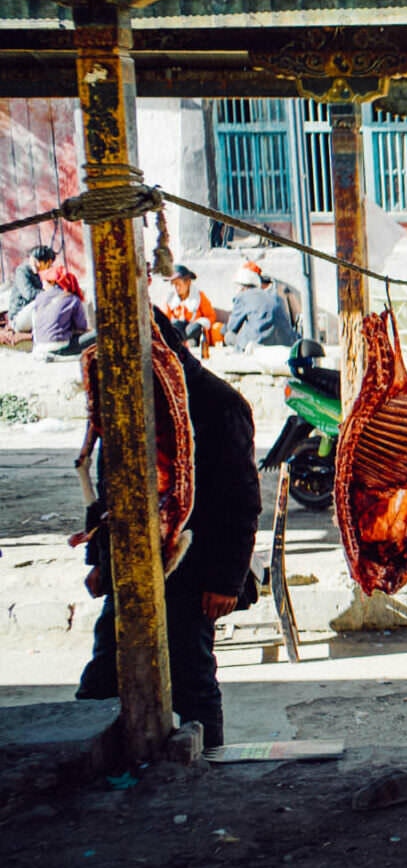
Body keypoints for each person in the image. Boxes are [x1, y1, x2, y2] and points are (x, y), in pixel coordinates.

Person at [76, 309, 261, 749]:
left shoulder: (218, 402)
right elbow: (107, 485)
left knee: (190, 677)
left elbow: (241, 502)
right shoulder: (126, 400)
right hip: (131, 564)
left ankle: (207, 765)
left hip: (195, 569)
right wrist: (100, 559)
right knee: (105, 671)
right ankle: (102, 765)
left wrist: (225, 581)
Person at [224, 265, 296, 349]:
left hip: (258, 343)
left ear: (242, 287)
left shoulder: (242, 296)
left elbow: (232, 327)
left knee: (229, 337)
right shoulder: (275, 296)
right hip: (286, 342)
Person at [28, 266, 89, 358]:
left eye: (44, 281)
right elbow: (81, 327)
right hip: (60, 346)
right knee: (96, 335)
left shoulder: (39, 297)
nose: (42, 285)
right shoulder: (72, 299)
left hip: (39, 346)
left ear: (52, 282)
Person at [163, 264, 220, 349]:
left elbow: (211, 316)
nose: (176, 288)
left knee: (193, 329)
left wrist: (200, 323)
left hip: (194, 331)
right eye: (173, 284)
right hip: (178, 331)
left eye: (178, 284)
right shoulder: (170, 299)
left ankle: (191, 341)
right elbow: (164, 318)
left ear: (188, 282)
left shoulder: (199, 296)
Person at [8, 244, 57, 327]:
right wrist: (49, 292)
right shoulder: (22, 271)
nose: (49, 267)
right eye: (48, 264)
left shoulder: (44, 273)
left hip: (34, 314)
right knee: (43, 302)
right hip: (19, 316)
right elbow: (29, 294)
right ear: (38, 262)